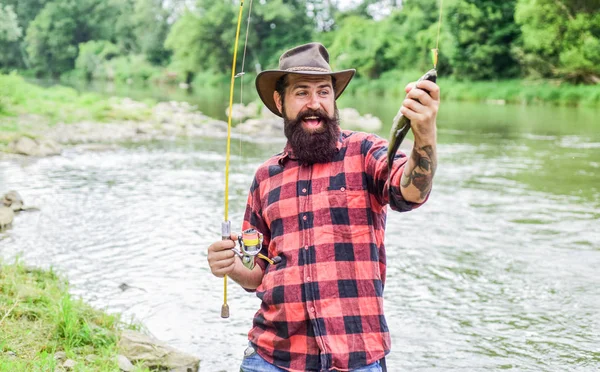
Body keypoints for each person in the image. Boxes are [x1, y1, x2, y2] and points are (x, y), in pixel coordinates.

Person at [207, 42, 440, 372]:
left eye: (323, 92)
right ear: (280, 101)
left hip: (356, 359)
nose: (314, 103)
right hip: (271, 358)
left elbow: (410, 192)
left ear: (334, 99)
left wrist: (425, 134)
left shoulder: (365, 152)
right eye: (301, 92)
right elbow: (255, 274)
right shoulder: (265, 177)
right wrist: (229, 266)